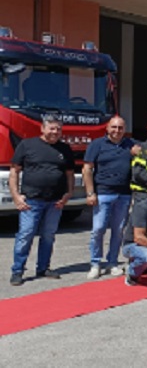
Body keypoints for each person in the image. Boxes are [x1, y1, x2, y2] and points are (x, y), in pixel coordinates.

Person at [9, 117, 75, 286]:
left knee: (48, 236)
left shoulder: (64, 149)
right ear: (43, 128)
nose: (55, 132)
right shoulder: (27, 145)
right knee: (25, 235)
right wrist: (16, 196)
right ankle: (17, 271)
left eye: (58, 129)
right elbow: (14, 172)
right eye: (52, 129)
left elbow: (69, 174)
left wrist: (68, 194)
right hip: (31, 201)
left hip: (55, 202)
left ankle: (43, 268)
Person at [83, 115, 135, 279]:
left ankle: (112, 262)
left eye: (120, 128)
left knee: (118, 230)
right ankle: (95, 263)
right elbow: (87, 169)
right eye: (114, 127)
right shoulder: (97, 145)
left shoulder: (130, 145)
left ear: (124, 129)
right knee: (98, 230)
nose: (117, 131)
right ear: (107, 128)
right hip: (103, 193)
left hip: (124, 195)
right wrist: (90, 193)